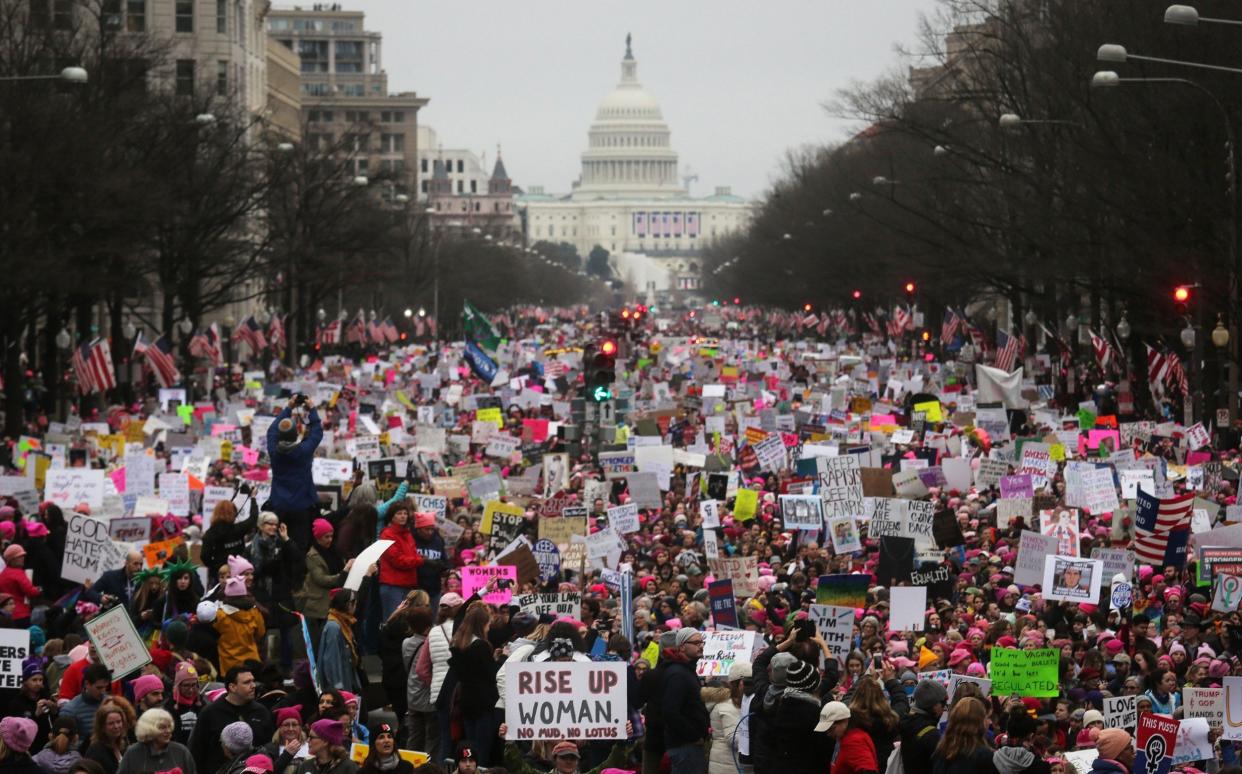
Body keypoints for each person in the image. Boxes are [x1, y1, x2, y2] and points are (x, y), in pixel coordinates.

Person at [189, 667, 274, 774]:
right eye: (247, 682)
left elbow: (270, 748)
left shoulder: (261, 712)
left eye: (253, 681)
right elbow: (197, 751)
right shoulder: (210, 713)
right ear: (232, 687)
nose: (253, 686)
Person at [267, 395, 324, 552]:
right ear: (295, 434)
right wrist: (311, 409)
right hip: (302, 508)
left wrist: (289, 407)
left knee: (279, 546)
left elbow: (271, 431)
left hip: (279, 506)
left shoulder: (273, 451)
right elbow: (317, 432)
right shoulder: (304, 451)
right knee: (300, 548)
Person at [446, 602, 499, 764]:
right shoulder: (481, 646)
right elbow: (491, 675)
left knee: (471, 747)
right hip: (483, 703)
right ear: (482, 625)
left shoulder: (458, 645)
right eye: (488, 624)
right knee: (482, 748)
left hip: (467, 701)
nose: (489, 628)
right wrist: (499, 659)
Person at [248, 512, 300, 669]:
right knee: (260, 634)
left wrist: (286, 539)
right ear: (260, 526)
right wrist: (266, 567)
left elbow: (298, 558)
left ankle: (287, 668)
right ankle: (260, 669)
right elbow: (250, 572)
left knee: (287, 634)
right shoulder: (251, 547)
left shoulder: (282, 544)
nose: (273, 527)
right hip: (262, 595)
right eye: (269, 523)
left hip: (281, 595)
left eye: (275, 524)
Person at [297, 520, 353, 653]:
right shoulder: (312, 556)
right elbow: (321, 579)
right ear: (318, 538)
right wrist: (343, 573)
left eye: (331, 536)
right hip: (319, 607)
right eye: (326, 537)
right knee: (319, 645)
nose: (329, 539)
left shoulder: (335, 551)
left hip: (334, 604)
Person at [660, 627, 710, 773]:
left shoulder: (686, 670)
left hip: (688, 746)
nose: (701, 646)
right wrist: (693, 736)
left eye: (702, 642)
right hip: (685, 747)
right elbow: (670, 711)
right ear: (682, 647)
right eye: (696, 642)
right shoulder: (678, 674)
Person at [377, 502, 424, 620]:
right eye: (399, 513)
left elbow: (412, 555)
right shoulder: (387, 534)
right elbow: (397, 560)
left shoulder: (408, 534)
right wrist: (419, 560)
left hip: (408, 585)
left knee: (406, 623)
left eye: (405, 513)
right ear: (392, 516)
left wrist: (418, 559)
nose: (403, 516)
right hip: (393, 586)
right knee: (393, 621)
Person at [116, 709, 195, 774]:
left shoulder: (181, 751)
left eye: (169, 726)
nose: (168, 731)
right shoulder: (133, 753)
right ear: (149, 728)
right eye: (162, 727)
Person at [215, 576, 267, 675]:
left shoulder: (220, 615)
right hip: (252, 662)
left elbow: (214, 634)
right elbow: (260, 633)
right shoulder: (255, 612)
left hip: (229, 664)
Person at [931, 697, 996, 774]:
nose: (990, 722)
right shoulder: (984, 756)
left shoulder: (941, 750)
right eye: (987, 717)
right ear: (978, 722)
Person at [707, 661, 749, 774]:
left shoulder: (740, 702)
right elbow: (733, 738)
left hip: (730, 764)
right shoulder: (727, 705)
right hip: (728, 766)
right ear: (741, 683)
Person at [6, 659, 55, 755]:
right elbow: (17, 729)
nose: (38, 683)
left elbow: (53, 721)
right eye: (34, 680)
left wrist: (54, 709)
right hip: (26, 748)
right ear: (25, 681)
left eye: (40, 680)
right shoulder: (17, 702)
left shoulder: (46, 697)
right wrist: (36, 714)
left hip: (44, 746)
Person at [319, 589, 363, 694]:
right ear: (346, 604)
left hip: (347, 679)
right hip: (340, 687)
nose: (355, 605)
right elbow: (331, 660)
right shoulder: (334, 626)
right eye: (353, 602)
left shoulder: (344, 622)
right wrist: (337, 688)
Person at [900, 679, 947, 774]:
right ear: (934, 705)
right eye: (943, 703)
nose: (945, 708)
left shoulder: (908, 724)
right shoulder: (932, 735)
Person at [202, 502, 252, 587]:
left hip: (219, 575)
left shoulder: (209, 533)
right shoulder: (238, 529)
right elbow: (253, 519)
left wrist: (216, 567)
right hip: (239, 574)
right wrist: (253, 499)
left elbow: (204, 556)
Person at [82, 701, 134, 774]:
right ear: (102, 727)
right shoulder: (96, 751)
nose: (116, 726)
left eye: (119, 722)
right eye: (111, 723)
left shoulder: (122, 745)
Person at [61, 665, 112, 739]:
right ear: (87, 684)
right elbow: (67, 744)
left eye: (105, 687)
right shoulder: (70, 710)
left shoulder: (111, 702)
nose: (103, 691)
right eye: (99, 688)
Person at [0, 544, 40, 628]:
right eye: (19, 556)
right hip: (21, 615)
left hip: (6, 613)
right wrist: (38, 589)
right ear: (12, 559)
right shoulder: (19, 573)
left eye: (23, 555)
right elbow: (31, 592)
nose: (23, 558)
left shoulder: (3, 573)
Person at [259, 706, 308, 774]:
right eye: (286, 725)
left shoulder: (310, 746)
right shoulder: (269, 749)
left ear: (300, 727)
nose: (291, 729)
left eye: (294, 725)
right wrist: (286, 755)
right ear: (279, 728)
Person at [166, 663, 202, 745]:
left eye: (194, 685)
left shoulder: (202, 703)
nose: (191, 690)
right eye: (186, 685)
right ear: (178, 686)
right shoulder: (169, 706)